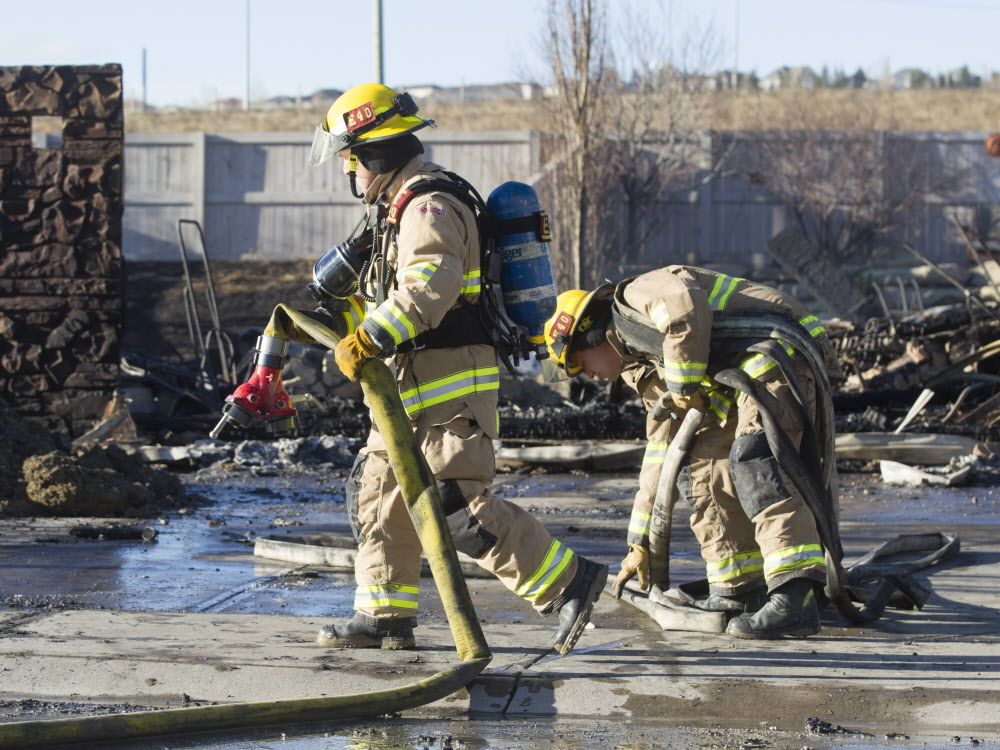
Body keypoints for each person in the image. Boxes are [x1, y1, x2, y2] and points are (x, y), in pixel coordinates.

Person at [220, 83, 606, 653]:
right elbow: (387, 293)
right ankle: (384, 616)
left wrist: (369, 338)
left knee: (457, 509)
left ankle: (568, 583)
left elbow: (431, 285)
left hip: (450, 386)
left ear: (371, 153)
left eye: (349, 158)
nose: (347, 171)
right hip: (406, 388)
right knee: (377, 496)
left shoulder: (429, 205)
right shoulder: (394, 210)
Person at [543, 265, 836, 639]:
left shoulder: (635, 298)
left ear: (593, 335)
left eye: (581, 365)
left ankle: (795, 596)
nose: (590, 377)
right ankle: (740, 589)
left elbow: (683, 310)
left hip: (775, 350)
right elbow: (659, 454)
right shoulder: (644, 365)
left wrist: (683, 384)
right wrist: (639, 543)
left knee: (758, 462)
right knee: (701, 471)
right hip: (740, 375)